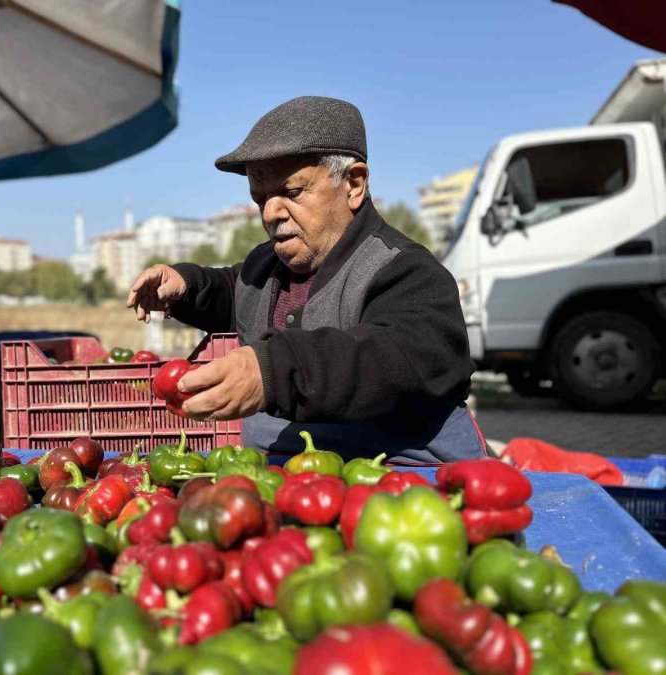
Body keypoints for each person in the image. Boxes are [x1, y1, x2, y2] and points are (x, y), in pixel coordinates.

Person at [127, 96, 485, 462]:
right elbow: (234, 291)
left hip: (402, 481)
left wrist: (271, 371)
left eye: (292, 192)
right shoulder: (264, 267)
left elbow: (387, 358)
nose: (270, 213)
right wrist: (186, 287)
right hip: (292, 481)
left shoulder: (408, 272)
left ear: (354, 184)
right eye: (260, 197)